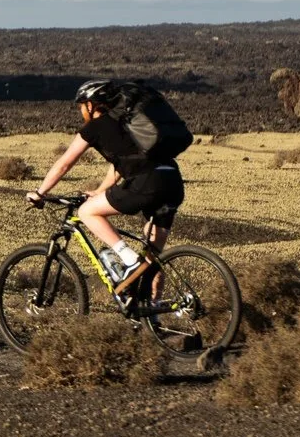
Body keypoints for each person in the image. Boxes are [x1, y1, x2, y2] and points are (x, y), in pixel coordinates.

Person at [27, 80, 187, 285]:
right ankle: (152, 311)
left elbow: (64, 163)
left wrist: (40, 192)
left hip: (147, 184)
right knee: (152, 260)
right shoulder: (128, 124)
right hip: (172, 180)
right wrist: (100, 190)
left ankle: (128, 259)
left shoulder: (95, 127)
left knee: (86, 212)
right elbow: (120, 164)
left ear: (91, 105)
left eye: (81, 106)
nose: (81, 111)